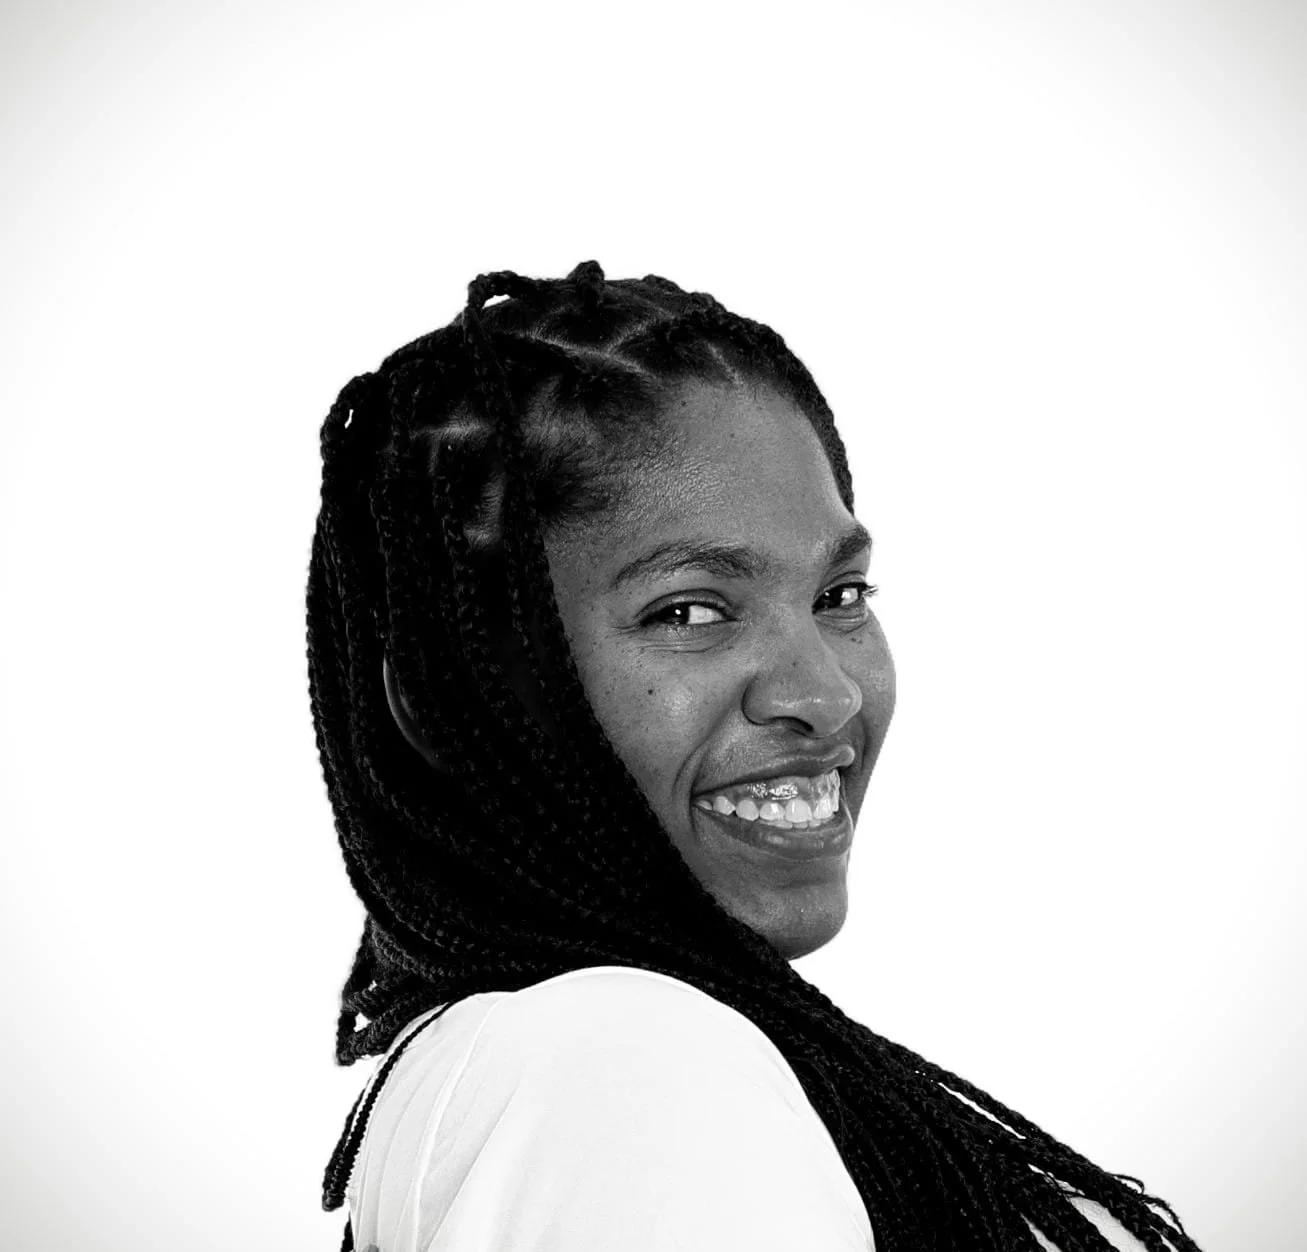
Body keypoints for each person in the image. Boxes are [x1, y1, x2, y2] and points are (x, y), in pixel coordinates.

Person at [306, 262, 1200, 1251]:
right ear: (444, 691)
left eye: (838, 597)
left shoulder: (555, 1065)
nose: (826, 696)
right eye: (689, 611)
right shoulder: (629, 1064)